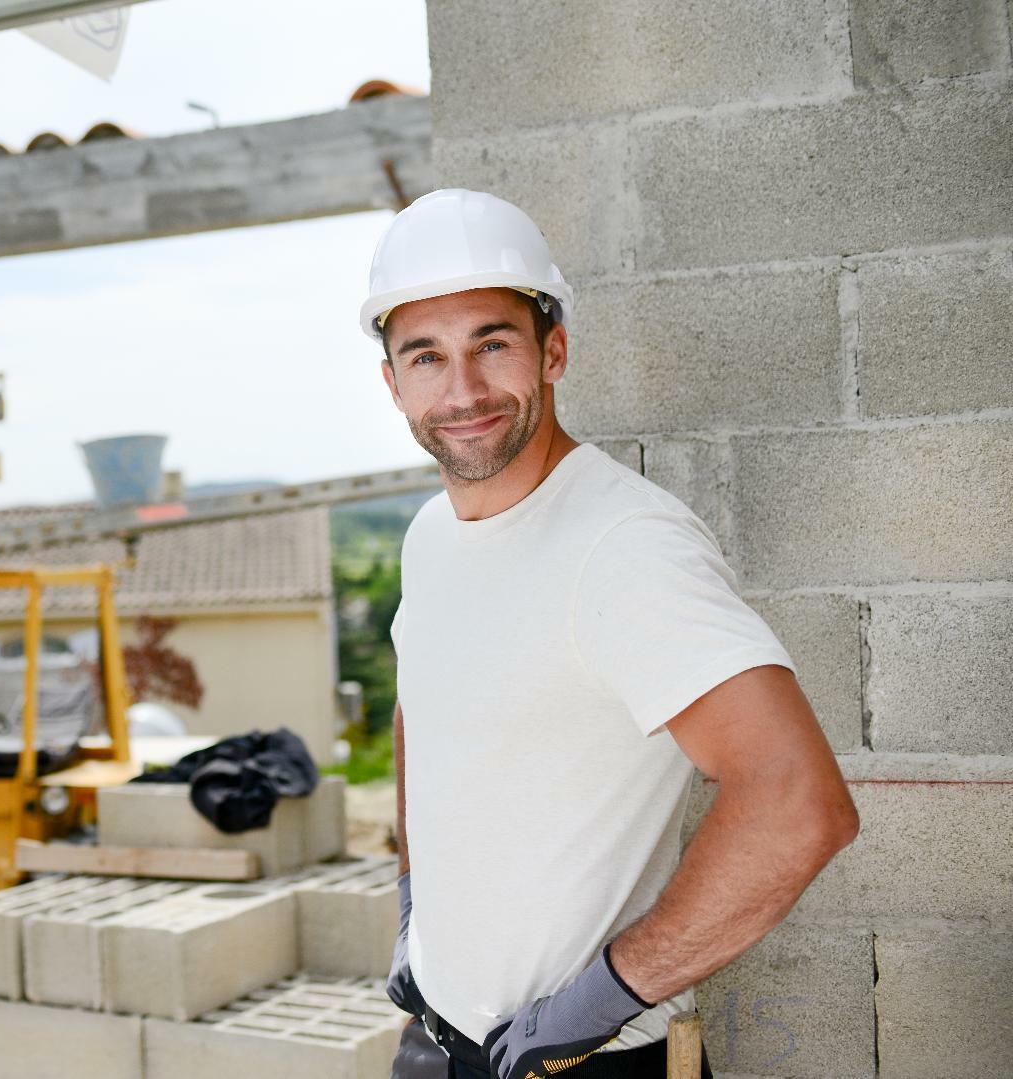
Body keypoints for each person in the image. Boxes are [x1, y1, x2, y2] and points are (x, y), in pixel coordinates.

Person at [361, 189, 860, 1079]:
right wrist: (414, 905)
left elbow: (797, 801)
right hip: (439, 1040)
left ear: (553, 350)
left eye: (493, 344)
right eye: (427, 356)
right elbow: (418, 714)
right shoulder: (431, 535)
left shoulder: (624, 546)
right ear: (392, 381)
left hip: (582, 1061)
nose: (463, 389)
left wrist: (600, 1001)